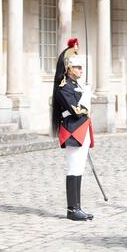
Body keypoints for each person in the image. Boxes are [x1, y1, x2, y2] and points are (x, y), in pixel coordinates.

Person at [52, 52, 94, 221]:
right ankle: (72, 209)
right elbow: (76, 111)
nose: (81, 70)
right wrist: (86, 96)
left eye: (81, 67)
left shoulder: (77, 85)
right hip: (72, 131)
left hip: (82, 130)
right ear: (69, 69)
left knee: (79, 169)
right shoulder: (64, 88)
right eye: (78, 67)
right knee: (73, 168)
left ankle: (77, 207)